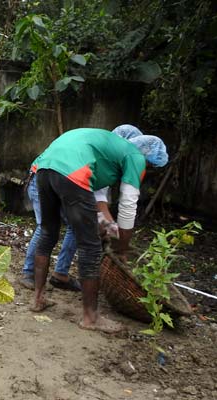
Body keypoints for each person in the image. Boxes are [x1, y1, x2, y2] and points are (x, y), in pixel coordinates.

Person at [31, 128, 168, 333]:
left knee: (48, 232)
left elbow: (95, 198)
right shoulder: (136, 156)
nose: (148, 169)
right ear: (150, 160)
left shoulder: (110, 149)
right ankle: (90, 318)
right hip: (70, 171)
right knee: (90, 247)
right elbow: (128, 205)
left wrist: (109, 228)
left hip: (45, 166)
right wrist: (122, 247)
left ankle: (37, 299)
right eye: (151, 167)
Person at [20, 124, 147, 290]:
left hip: (60, 177)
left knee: (76, 225)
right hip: (44, 177)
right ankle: (29, 273)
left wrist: (107, 225)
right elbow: (99, 199)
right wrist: (112, 230)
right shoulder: (102, 155)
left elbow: (97, 198)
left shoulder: (107, 157)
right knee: (45, 227)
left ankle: (60, 274)